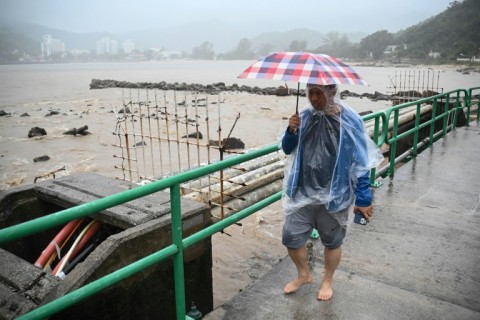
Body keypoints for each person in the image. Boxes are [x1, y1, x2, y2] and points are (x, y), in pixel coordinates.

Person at [279, 83, 383, 301]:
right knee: (290, 237)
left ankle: (327, 279)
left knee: (332, 242)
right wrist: (291, 130)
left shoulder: (349, 119)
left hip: (336, 194)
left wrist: (364, 199)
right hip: (302, 192)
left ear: (332, 91)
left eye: (319, 93)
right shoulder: (304, 116)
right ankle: (304, 274)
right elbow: (287, 149)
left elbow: (362, 162)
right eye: (311, 93)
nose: (314, 99)